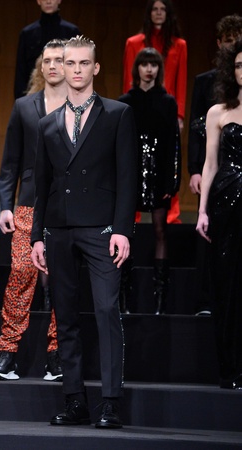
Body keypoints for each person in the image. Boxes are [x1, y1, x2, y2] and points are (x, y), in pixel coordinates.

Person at [31, 36, 137, 429]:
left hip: (101, 229)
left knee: (107, 311)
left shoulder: (118, 114)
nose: (76, 70)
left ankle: (110, 402)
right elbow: (41, 185)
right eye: (70, 63)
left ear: (95, 68)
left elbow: (128, 179)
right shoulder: (47, 124)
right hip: (58, 229)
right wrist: (36, 236)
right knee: (66, 315)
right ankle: (74, 399)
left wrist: (122, 230)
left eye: (83, 63)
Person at [0, 40, 68, 382]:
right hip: (29, 202)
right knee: (21, 273)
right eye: (47, 60)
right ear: (40, 66)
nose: (53, 65)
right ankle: (7, 355)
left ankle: (56, 356)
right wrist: (5, 206)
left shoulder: (85, 106)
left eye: (60, 60)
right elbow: (10, 163)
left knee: (62, 279)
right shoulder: (24, 106)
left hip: (67, 206)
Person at [195, 38, 242, 390]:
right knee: (227, 284)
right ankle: (231, 367)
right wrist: (201, 210)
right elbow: (210, 164)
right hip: (226, 202)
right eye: (238, 65)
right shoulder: (218, 112)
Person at [119, 48, 180, 315]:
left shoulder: (167, 102)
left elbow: (173, 144)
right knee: (125, 232)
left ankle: (160, 301)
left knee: (160, 230)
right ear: (137, 68)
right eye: (144, 64)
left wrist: (172, 182)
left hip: (158, 172)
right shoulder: (125, 101)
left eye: (153, 64)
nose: (149, 69)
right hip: (131, 173)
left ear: (159, 69)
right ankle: (124, 298)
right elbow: (119, 143)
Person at [188, 14, 242, 316]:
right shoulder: (214, 104)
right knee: (221, 261)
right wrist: (201, 209)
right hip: (224, 187)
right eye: (238, 65)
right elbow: (207, 158)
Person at [123, 0, 186, 224]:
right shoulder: (134, 43)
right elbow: (128, 78)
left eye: (163, 9)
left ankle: (171, 215)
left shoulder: (179, 45)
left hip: (165, 110)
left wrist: (180, 115)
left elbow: (180, 79)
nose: (159, 13)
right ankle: (132, 217)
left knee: (167, 158)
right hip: (139, 105)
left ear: (168, 13)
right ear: (149, 13)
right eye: (155, 9)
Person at [13, 0, 79, 99]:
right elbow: (21, 70)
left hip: (65, 93)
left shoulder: (72, 32)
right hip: (34, 92)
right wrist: (20, 100)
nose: (48, 1)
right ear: (38, 1)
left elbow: (77, 66)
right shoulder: (27, 33)